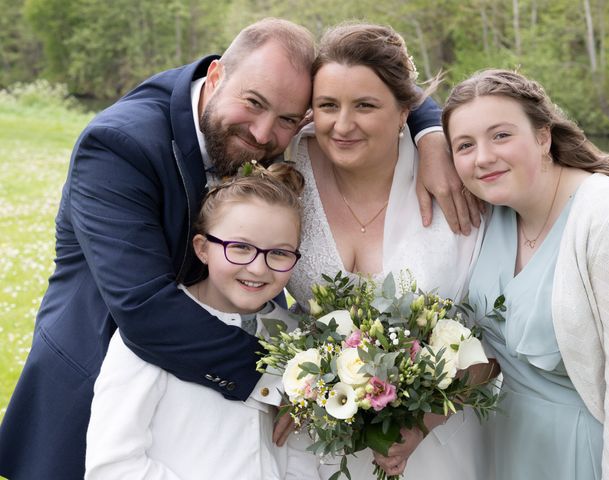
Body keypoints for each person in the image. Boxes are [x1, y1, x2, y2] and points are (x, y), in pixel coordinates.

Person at [0, 17, 454, 480]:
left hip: (227, 420)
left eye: (287, 120)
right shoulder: (119, 146)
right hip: (103, 389)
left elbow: (368, 75)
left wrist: (429, 131)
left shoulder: (271, 90)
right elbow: (142, 309)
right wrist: (298, 382)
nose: (262, 134)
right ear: (216, 76)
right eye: (253, 105)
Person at [285, 23, 488, 479]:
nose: (342, 124)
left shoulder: (455, 176)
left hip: (438, 439)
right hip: (314, 441)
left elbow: (495, 340)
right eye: (327, 106)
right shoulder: (284, 168)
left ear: (405, 112)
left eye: (366, 106)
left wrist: (423, 422)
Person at [442, 69, 609, 479]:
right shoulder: (491, 215)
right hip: (504, 445)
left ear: (543, 137)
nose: (482, 157)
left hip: (584, 454)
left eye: (500, 135)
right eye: (465, 145)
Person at [85, 164, 320, 480]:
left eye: (278, 253)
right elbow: (112, 465)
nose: (258, 268)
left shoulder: (296, 338)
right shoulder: (155, 334)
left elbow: (303, 457)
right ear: (203, 248)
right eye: (240, 247)